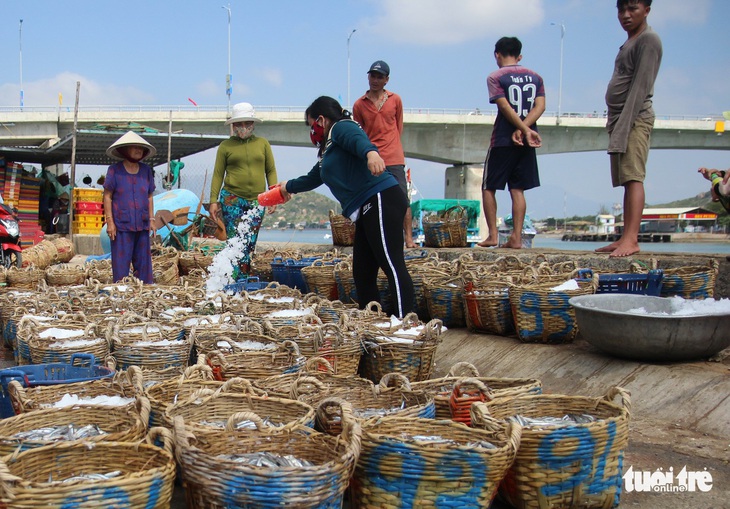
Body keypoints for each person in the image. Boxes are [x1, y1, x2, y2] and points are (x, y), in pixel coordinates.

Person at [279, 96, 415, 318]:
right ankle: (372, 322)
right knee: (362, 273)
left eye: (311, 124)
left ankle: (407, 324)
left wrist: (371, 154)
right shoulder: (329, 151)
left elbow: (359, 140)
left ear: (321, 120)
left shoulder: (342, 127)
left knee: (392, 264)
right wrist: (287, 187)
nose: (311, 130)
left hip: (380, 197)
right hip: (366, 208)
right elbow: (314, 177)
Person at [596, 0, 662, 257]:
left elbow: (641, 87)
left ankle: (631, 239)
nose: (625, 15)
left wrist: (624, 124)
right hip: (621, 118)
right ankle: (625, 236)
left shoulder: (649, 40)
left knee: (634, 176)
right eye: (621, 10)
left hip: (634, 117)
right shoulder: (631, 41)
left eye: (632, 9)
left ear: (646, 10)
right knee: (626, 179)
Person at [478, 36, 545, 249]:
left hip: (503, 140)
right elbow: (540, 106)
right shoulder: (536, 77)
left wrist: (520, 128)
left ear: (497, 54)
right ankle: (516, 237)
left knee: (489, 187)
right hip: (527, 141)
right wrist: (527, 129)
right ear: (520, 56)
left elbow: (504, 106)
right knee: (517, 189)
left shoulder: (495, 77)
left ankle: (493, 235)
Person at [209, 102, 278, 278]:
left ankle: (244, 277)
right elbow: (218, 174)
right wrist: (213, 201)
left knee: (249, 242)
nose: (243, 127)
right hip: (231, 199)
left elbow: (270, 170)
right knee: (234, 241)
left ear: (253, 124)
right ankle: (233, 278)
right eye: (238, 124)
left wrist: (274, 196)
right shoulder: (225, 146)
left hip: (257, 201)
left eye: (247, 123)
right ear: (233, 126)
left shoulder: (263, 144)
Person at [352, 60, 416, 248]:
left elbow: (398, 126)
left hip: (394, 158)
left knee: (402, 199)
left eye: (380, 77)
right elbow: (360, 134)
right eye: (373, 76)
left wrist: (392, 146)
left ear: (386, 80)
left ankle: (409, 239)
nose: (375, 80)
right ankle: (374, 239)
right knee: (372, 201)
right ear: (368, 77)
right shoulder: (359, 105)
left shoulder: (395, 100)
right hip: (372, 160)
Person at [103, 131, 156, 284]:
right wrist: (110, 222)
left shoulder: (146, 171)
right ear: (125, 150)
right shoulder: (114, 170)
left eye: (140, 148)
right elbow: (107, 196)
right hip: (121, 224)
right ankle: (121, 291)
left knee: (144, 262)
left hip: (142, 222)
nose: (138, 150)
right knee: (121, 263)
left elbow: (150, 195)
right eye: (134, 147)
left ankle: (144, 290)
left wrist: (152, 219)